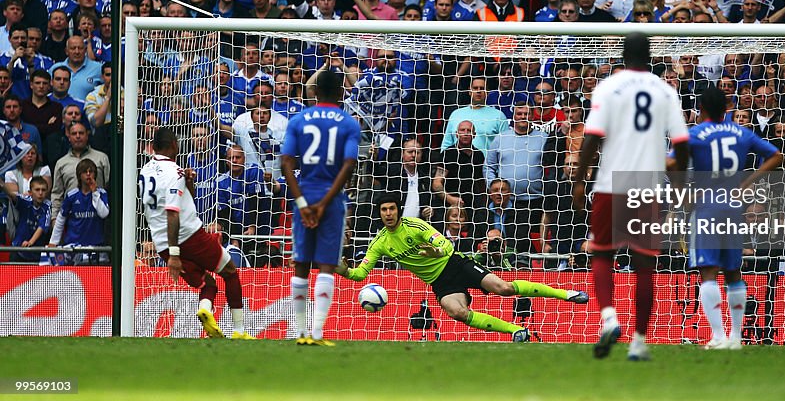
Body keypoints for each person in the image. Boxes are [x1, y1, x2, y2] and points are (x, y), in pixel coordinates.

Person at [573, 33, 690, 361]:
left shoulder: (608, 87)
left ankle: (608, 316)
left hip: (610, 185)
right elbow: (681, 143)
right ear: (650, 56)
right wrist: (679, 184)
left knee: (601, 255)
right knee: (643, 267)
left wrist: (579, 181)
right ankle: (639, 341)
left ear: (623, 55)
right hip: (647, 187)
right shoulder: (665, 91)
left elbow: (592, 137)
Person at [337, 193, 588, 341]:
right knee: (456, 312)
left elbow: (445, 245)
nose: (388, 213)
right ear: (379, 214)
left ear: (398, 210)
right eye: (384, 210)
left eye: (392, 208)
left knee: (504, 287)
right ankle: (515, 331)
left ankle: (567, 294)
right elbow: (359, 274)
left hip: (455, 264)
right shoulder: (379, 243)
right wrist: (341, 269)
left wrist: (435, 250)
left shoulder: (415, 225)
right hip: (441, 282)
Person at [688, 86, 782, 350]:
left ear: (702, 110)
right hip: (732, 205)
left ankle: (718, 336)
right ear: (726, 108)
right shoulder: (742, 132)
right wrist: (746, 183)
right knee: (733, 271)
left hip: (707, 205)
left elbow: (673, 164)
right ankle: (736, 337)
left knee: (708, 271)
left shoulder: (695, 134)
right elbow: (776, 155)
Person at [139, 127, 251, 339]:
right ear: (175, 145)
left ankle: (206, 310)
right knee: (230, 272)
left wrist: (188, 182)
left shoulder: (145, 171)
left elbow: (181, 198)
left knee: (207, 283)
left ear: (153, 147)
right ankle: (239, 331)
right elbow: (173, 213)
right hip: (189, 237)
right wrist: (174, 255)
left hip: (161, 243)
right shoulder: (175, 172)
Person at [280, 70, 360, 346]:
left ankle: (300, 333)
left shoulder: (298, 120)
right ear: (341, 92)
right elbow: (350, 164)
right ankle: (317, 333)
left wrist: (303, 203)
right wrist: (325, 202)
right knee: (327, 265)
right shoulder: (349, 123)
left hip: (304, 194)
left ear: (315, 92)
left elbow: (286, 162)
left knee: (300, 262)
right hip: (332, 199)